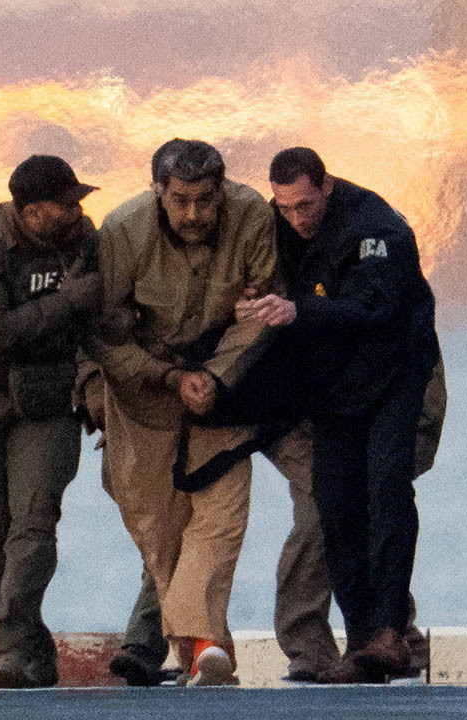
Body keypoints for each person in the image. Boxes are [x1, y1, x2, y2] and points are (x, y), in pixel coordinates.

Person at [233, 147, 441, 683]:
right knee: (334, 504)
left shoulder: (376, 226)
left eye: (306, 204)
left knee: (387, 489)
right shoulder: (275, 225)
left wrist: (298, 311)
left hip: (394, 373)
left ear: (325, 187)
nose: (297, 219)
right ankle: (362, 639)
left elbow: (378, 307)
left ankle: (391, 630)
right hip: (332, 386)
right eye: (286, 208)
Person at [85, 138, 278, 686]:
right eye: (180, 200)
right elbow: (102, 334)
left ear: (222, 193)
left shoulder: (252, 217)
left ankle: (206, 647)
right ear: (158, 194)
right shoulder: (122, 232)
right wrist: (168, 377)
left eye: (205, 200)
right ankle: (196, 645)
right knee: (160, 526)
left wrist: (217, 375)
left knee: (222, 515)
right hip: (144, 391)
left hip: (224, 387)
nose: (194, 214)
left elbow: (264, 305)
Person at [0, 155, 101, 688]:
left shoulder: (81, 240)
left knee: (33, 526)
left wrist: (95, 382)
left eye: (78, 201)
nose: (76, 211)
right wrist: (65, 301)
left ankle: (8, 646)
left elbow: (100, 316)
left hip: (46, 402)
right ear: (28, 212)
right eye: (64, 204)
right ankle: (29, 645)